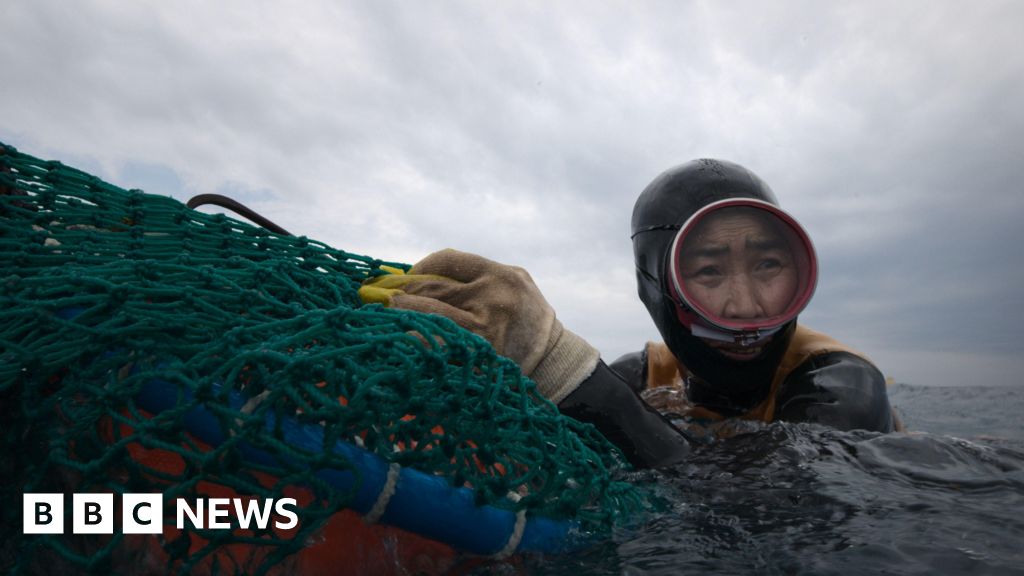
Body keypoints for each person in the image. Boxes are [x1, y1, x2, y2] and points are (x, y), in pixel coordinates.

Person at [362, 159, 900, 469]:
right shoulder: (645, 375)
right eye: (710, 272)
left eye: (768, 264)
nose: (748, 306)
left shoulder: (842, 384)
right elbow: (550, 447)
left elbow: (763, 516)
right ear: (655, 285)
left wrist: (567, 371)